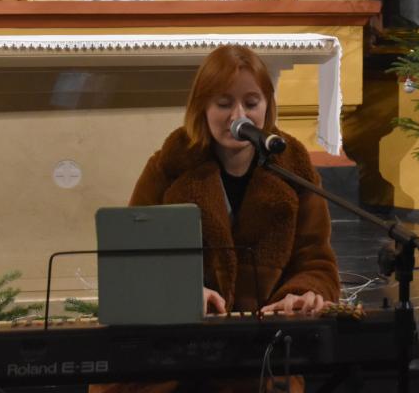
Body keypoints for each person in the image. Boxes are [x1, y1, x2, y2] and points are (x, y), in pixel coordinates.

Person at [129, 44, 340, 317]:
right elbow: (134, 257)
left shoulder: (294, 168)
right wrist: (181, 290)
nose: (238, 116)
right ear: (202, 107)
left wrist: (303, 293)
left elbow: (316, 262)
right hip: (192, 327)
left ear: (268, 105)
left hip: (273, 330)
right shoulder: (168, 168)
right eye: (224, 104)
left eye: (251, 104)